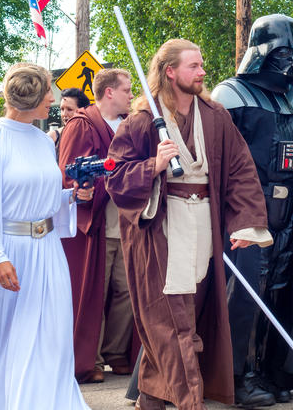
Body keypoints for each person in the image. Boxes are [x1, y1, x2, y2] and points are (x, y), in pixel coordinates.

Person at [105, 39, 272, 410]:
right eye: (193, 66)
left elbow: (241, 170)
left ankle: (150, 398)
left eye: (201, 65)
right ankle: (189, 402)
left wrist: (244, 224)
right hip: (161, 229)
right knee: (174, 324)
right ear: (170, 72)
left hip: (203, 226)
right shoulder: (142, 120)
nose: (202, 72)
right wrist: (153, 166)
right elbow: (114, 177)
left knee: (184, 316)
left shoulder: (215, 116)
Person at [0, 63, 92, 409]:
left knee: (49, 336)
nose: (53, 99)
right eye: (47, 93)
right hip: (9, 254)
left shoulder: (43, 140)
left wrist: (72, 197)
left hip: (48, 251)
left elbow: (44, 195)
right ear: (30, 98)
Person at [212, 14, 293, 406]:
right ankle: (239, 374)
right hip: (249, 210)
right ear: (261, 53)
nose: (290, 62)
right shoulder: (229, 95)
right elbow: (218, 156)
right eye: (281, 52)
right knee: (248, 291)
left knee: (283, 291)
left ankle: (271, 370)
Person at [57, 68, 138, 383]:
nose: (131, 95)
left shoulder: (131, 123)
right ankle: (92, 358)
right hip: (97, 219)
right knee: (94, 288)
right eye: (126, 90)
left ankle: (116, 350)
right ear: (109, 93)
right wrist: (84, 191)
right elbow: (68, 172)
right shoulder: (83, 123)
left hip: (128, 218)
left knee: (127, 288)